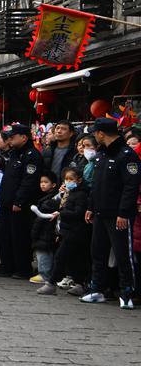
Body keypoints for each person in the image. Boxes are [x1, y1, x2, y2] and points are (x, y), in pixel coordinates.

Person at [79, 118, 141, 309]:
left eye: (95, 132)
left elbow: (131, 187)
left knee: (123, 254)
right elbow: (96, 185)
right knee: (97, 251)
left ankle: (127, 292)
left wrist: (123, 212)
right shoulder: (101, 155)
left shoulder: (126, 155)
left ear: (101, 133)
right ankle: (97, 289)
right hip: (99, 212)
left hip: (119, 215)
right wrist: (90, 206)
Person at [0, 123, 43, 279]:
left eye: (12, 137)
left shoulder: (32, 155)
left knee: (19, 237)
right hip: (5, 203)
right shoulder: (14, 153)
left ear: (23, 137)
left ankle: (22, 268)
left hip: (19, 205)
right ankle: (7, 266)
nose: (10, 140)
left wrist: (19, 201)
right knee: (5, 236)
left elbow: (29, 181)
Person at [37, 167, 90, 295]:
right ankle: (79, 283)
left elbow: (78, 212)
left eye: (71, 179)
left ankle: (51, 283)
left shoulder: (81, 195)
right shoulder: (70, 193)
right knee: (73, 259)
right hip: (66, 231)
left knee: (60, 257)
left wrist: (61, 213)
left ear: (79, 180)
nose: (67, 182)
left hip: (75, 231)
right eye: (66, 179)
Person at [29, 171, 60, 284]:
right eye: (41, 182)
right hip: (43, 230)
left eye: (46, 182)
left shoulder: (52, 199)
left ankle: (45, 274)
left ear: (53, 185)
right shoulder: (45, 197)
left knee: (44, 251)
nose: (42, 184)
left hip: (46, 231)